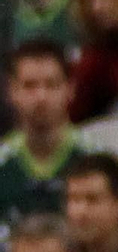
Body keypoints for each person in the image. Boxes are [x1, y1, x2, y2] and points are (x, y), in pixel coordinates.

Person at [0, 42, 80, 228]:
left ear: (70, 89)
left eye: (51, 85)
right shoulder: (3, 163)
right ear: (12, 91)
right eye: (30, 86)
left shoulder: (94, 158)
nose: (41, 97)